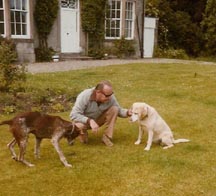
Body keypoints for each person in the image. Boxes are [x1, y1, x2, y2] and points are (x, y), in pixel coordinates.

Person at [70, 80, 132, 147]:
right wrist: (89, 120)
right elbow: (74, 114)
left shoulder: (110, 96)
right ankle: (83, 132)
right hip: (83, 122)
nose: (109, 97)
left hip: (98, 120)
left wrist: (127, 112)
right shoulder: (84, 96)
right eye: (107, 95)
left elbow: (119, 110)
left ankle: (106, 137)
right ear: (98, 92)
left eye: (111, 94)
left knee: (114, 109)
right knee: (84, 140)